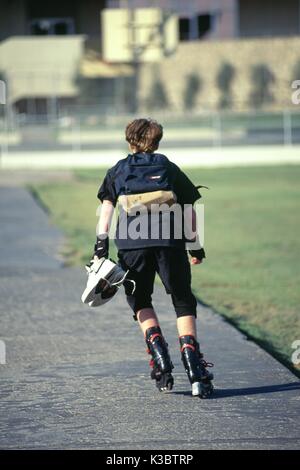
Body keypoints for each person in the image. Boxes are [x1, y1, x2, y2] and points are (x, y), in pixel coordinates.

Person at [93, 118, 213, 398]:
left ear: (129, 140)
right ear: (157, 142)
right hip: (170, 244)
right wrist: (195, 247)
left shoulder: (118, 170)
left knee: (140, 300)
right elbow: (188, 211)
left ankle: (160, 360)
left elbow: (106, 209)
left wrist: (101, 246)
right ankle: (195, 369)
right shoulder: (168, 167)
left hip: (131, 247)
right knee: (182, 299)